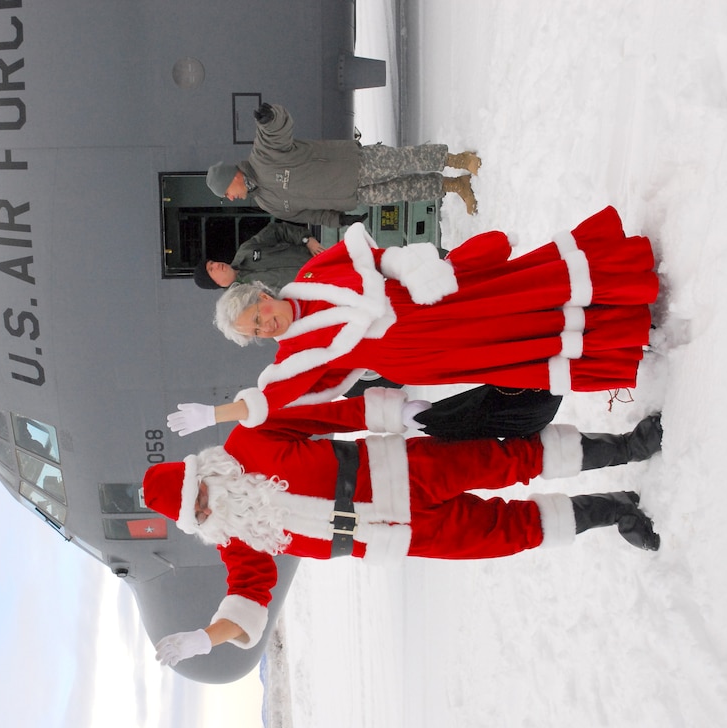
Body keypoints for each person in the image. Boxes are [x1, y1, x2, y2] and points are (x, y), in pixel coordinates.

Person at [144, 388, 664, 667]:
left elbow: (327, 416)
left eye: (203, 496)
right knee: (510, 533)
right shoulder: (238, 538)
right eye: (202, 514)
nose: (213, 509)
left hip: (405, 468)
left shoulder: (249, 443)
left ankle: (627, 447)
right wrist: (208, 639)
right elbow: (249, 599)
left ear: (206, 472)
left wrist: (397, 413)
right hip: (400, 534)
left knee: (515, 458)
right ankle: (614, 510)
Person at [167, 206, 659, 435]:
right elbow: (266, 399)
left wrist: (415, 269)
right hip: (437, 355)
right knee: (523, 346)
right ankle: (625, 335)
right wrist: (216, 415)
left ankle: (623, 287)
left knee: (523, 297)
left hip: (438, 304)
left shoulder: (315, 272)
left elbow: (381, 258)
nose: (265, 327)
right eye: (255, 332)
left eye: (258, 316)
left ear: (262, 295)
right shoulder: (295, 356)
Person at [205, 102, 480, 224]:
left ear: (233, 177)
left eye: (226, 192)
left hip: (352, 164)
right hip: (352, 195)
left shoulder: (264, 157)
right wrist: (339, 219)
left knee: (404, 161)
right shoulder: (267, 203)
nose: (230, 198)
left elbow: (278, 128)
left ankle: (459, 159)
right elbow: (307, 215)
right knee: (406, 190)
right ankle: (457, 185)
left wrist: (269, 117)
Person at [193, 220, 324, 292]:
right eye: (211, 270)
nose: (216, 264)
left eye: (212, 262)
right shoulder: (244, 298)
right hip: (323, 289)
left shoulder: (246, 251)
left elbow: (277, 231)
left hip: (323, 258)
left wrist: (306, 239)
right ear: (215, 283)